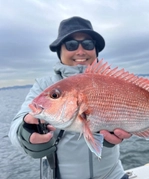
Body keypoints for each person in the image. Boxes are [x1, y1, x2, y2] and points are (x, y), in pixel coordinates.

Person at [8, 16, 131, 179]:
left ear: (95, 50)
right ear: (60, 51)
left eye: (88, 44)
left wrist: (123, 129)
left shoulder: (112, 82)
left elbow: (135, 110)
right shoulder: (45, 85)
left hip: (113, 174)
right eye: (71, 45)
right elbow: (17, 125)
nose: (80, 51)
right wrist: (26, 132)